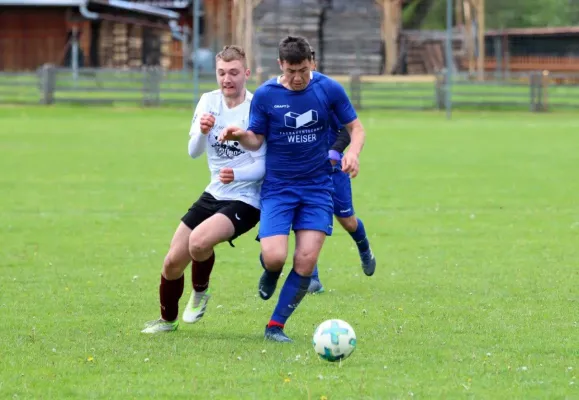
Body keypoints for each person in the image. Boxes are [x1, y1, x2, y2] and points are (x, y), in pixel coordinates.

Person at [218, 35, 366, 343]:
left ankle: (276, 326)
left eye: (302, 69)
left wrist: (352, 153)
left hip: (317, 188)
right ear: (280, 65)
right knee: (274, 257)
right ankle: (271, 272)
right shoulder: (267, 95)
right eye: (290, 70)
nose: (297, 78)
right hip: (279, 188)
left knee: (306, 261)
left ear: (312, 62)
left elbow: (356, 128)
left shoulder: (329, 89)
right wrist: (239, 135)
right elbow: (256, 139)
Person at [142, 45, 266, 334]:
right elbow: (193, 152)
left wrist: (235, 173)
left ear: (246, 73)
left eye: (234, 72)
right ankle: (167, 322)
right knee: (172, 262)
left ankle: (200, 292)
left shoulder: (256, 106)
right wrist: (202, 130)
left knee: (198, 242)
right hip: (214, 192)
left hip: (246, 198)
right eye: (222, 73)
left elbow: (263, 166)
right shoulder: (207, 101)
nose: (227, 79)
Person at [306, 49, 377, 294]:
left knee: (347, 220)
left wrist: (336, 152)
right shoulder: (286, 94)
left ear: (313, 63)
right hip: (305, 172)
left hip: (334, 170)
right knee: (309, 220)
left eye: (306, 64)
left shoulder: (328, 91)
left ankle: (364, 246)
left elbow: (349, 128)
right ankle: (311, 277)